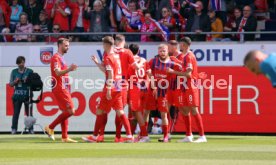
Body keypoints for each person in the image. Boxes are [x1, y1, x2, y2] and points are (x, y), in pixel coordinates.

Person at [82, 36, 134, 143]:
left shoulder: (108, 57)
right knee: (120, 112)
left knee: (100, 110)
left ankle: (95, 136)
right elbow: (107, 71)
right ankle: (129, 136)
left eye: (103, 44)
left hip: (112, 86)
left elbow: (110, 74)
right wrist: (97, 63)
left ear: (106, 45)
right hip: (119, 86)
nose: (102, 46)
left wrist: (109, 88)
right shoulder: (115, 56)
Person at [168, 37, 207, 143]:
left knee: (194, 109)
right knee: (183, 109)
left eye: (180, 44)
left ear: (184, 45)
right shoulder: (181, 56)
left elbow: (188, 74)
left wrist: (173, 72)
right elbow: (178, 66)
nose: (179, 46)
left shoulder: (189, 56)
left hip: (190, 86)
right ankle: (189, 135)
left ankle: (202, 136)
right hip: (182, 86)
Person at [44, 38, 78, 143]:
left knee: (65, 112)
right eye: (66, 45)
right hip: (59, 87)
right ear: (59, 45)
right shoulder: (55, 58)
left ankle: (64, 137)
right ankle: (50, 127)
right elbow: (58, 73)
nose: (68, 47)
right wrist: (69, 69)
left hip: (64, 87)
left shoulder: (61, 58)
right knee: (71, 111)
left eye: (68, 45)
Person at [148, 44, 182, 142]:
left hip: (164, 92)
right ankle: (144, 135)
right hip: (153, 90)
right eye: (160, 51)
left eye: (164, 51)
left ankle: (166, 136)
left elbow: (185, 69)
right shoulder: (153, 61)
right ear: (158, 52)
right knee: (146, 112)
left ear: (167, 52)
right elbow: (149, 72)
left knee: (164, 114)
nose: (162, 53)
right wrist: (153, 84)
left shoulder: (172, 63)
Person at [128, 43, 150, 142]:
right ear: (138, 51)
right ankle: (135, 135)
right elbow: (149, 73)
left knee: (136, 113)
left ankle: (144, 135)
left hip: (134, 87)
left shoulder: (129, 61)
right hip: (143, 87)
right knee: (140, 113)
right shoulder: (144, 60)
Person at [9, 56, 33, 134]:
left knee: (29, 114)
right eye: (19, 63)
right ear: (17, 63)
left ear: (24, 62)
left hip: (27, 96)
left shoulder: (29, 71)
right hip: (17, 96)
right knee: (16, 114)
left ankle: (30, 129)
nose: (21, 64)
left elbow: (33, 83)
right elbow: (10, 84)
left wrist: (27, 80)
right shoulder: (14, 71)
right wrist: (15, 82)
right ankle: (14, 129)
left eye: (22, 62)